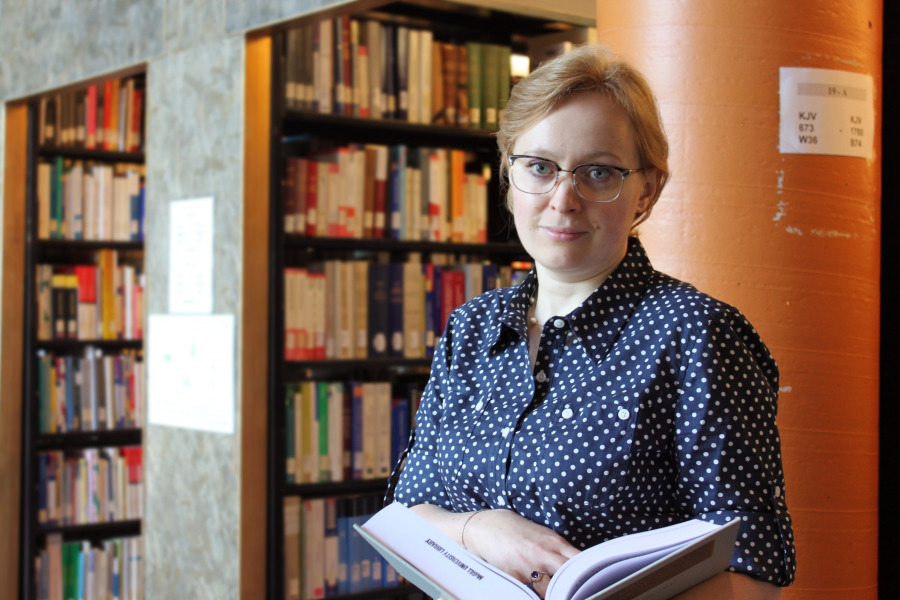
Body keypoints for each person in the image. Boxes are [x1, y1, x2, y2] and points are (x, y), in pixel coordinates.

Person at [387, 44, 796, 599]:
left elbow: (756, 567)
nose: (564, 199)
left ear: (646, 187)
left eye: (598, 173)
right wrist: (479, 530)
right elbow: (407, 513)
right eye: (539, 167)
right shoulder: (472, 330)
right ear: (509, 173)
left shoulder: (697, 335)